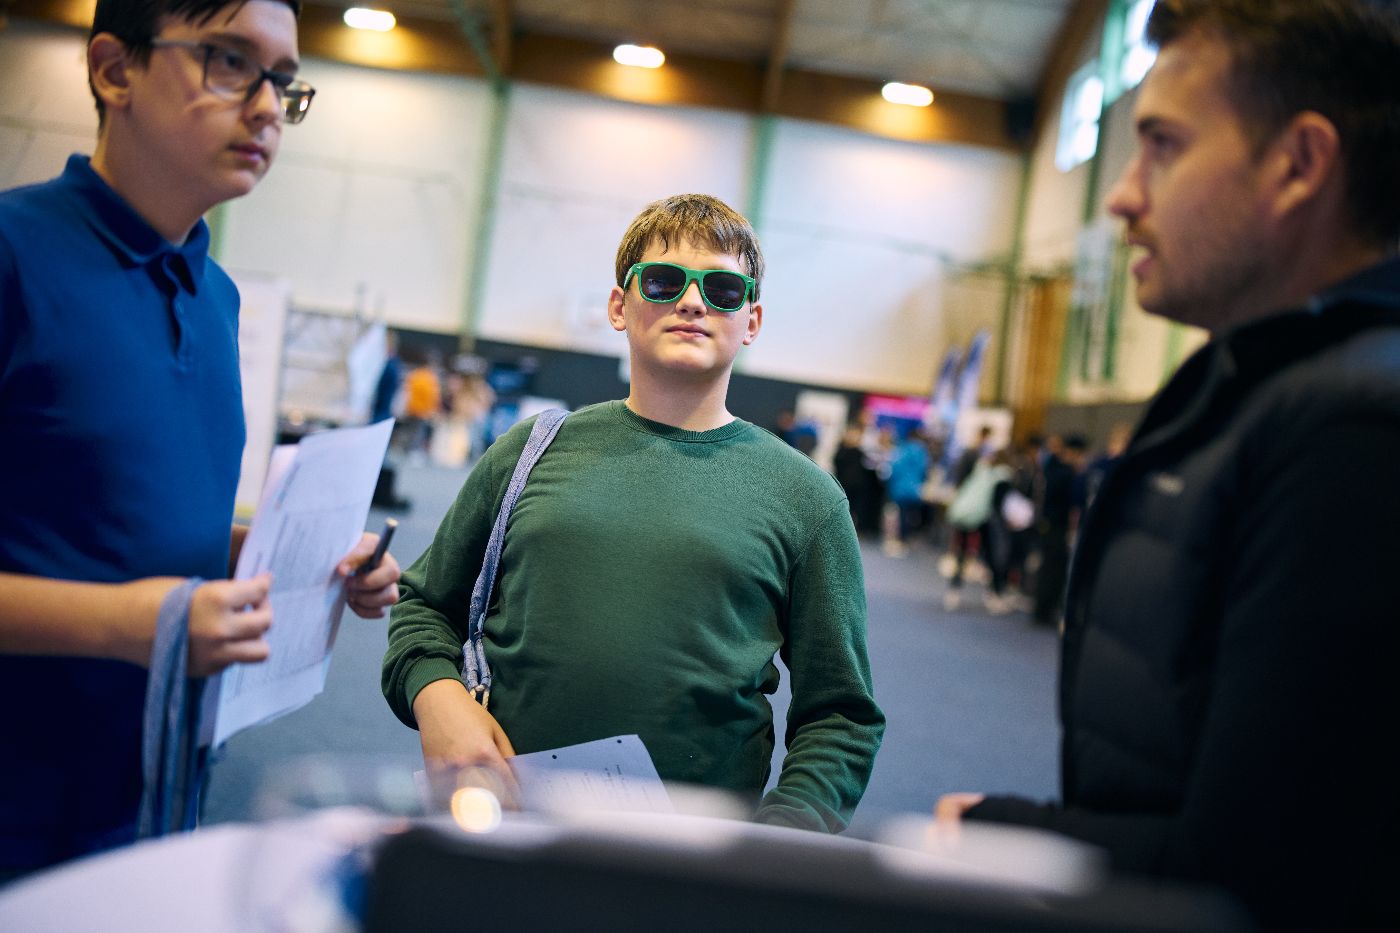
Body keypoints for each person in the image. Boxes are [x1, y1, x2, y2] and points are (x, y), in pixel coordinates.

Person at [937, 1, 1400, 928]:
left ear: (1299, 164)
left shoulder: (1353, 427)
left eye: (1163, 146)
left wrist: (998, 832)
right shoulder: (1247, 384)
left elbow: (1272, 870)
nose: (1122, 195)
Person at [0, 0, 401, 879]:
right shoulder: (14, 254)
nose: (266, 107)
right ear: (115, 70)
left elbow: (98, 521)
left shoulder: (215, 296)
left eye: (284, 82)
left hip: (149, 791)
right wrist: (129, 622)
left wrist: (279, 554)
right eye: (229, 62)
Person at [383, 194, 884, 832]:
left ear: (751, 320)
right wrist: (437, 698)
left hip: (690, 853)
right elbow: (425, 605)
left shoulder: (806, 498)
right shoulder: (532, 452)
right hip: (505, 824)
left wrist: (786, 837)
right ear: (619, 306)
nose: (693, 302)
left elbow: (841, 714)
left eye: (723, 290)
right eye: (664, 281)